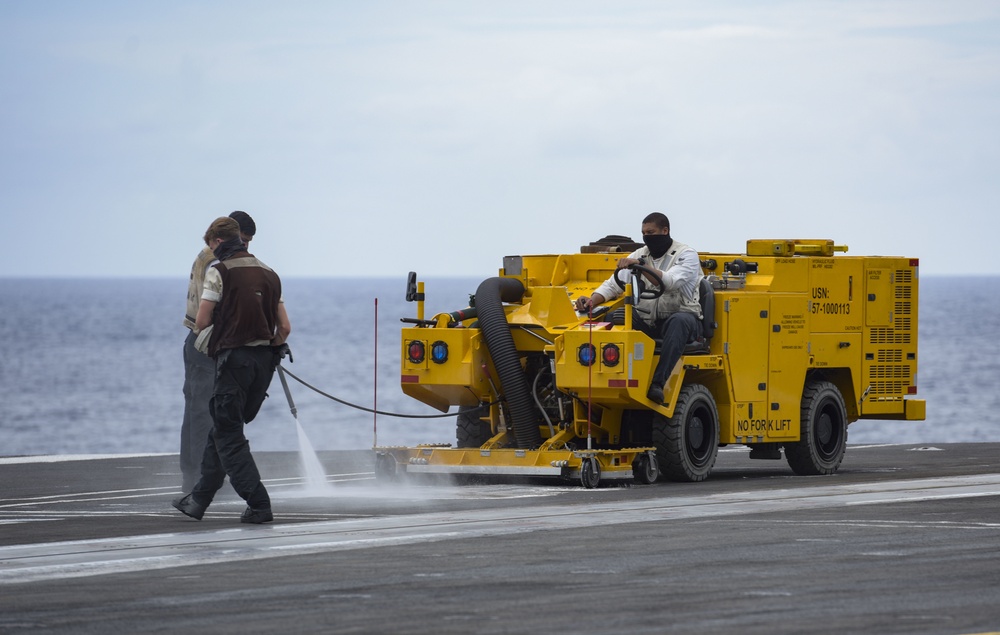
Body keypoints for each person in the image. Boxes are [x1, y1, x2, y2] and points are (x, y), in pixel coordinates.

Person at [172, 216, 291, 524]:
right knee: (221, 426)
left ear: (218, 241)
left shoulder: (218, 269)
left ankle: (258, 502)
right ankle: (198, 498)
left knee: (224, 430)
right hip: (261, 363)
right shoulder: (269, 272)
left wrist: (224, 342)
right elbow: (285, 328)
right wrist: (270, 349)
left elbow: (202, 321)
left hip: (229, 358)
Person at [575, 212, 702, 404]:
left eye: (651, 232)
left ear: (665, 231)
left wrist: (640, 266)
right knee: (613, 317)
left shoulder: (686, 255)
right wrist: (593, 300)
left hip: (683, 319)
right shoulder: (640, 254)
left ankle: (657, 384)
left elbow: (668, 282)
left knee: (679, 322)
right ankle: (599, 376)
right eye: (643, 233)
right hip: (649, 319)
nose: (647, 237)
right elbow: (612, 286)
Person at [179, 211, 257, 491]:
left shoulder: (207, 256)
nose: (246, 249)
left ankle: (193, 476)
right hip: (208, 344)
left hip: (197, 341)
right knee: (206, 413)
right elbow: (217, 310)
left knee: (195, 411)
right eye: (244, 242)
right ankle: (200, 482)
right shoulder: (217, 262)